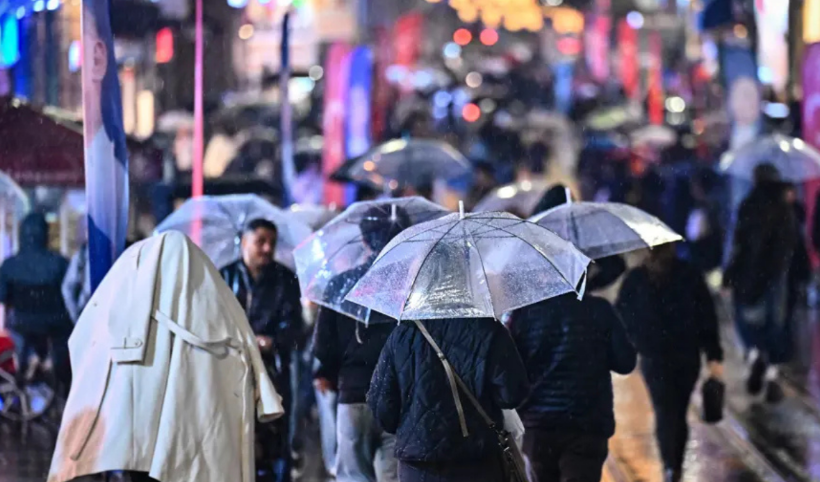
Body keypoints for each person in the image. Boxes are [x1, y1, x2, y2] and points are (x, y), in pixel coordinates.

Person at [48, 232, 283, 482]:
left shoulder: (123, 312)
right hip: (193, 447)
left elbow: (84, 339)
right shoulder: (218, 312)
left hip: (134, 444)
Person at [313, 206, 411, 482]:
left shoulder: (341, 285)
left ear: (365, 240)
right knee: (394, 475)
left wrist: (332, 374)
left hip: (353, 394)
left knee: (354, 475)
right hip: (398, 397)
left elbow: (323, 347)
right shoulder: (409, 287)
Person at [368, 318, 530, 482]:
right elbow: (512, 396)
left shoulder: (402, 335)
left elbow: (382, 409)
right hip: (479, 462)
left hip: (419, 467)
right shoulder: (491, 329)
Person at [616, 243, 723, 482]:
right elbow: (707, 317)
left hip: (655, 358)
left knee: (664, 411)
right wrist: (714, 355)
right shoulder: (689, 274)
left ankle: (670, 465)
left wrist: (633, 342)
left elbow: (621, 317)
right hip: (687, 356)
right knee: (679, 411)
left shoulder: (637, 279)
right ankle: (675, 462)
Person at [509, 293, 636, 482]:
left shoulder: (524, 314)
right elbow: (625, 362)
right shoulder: (599, 309)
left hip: (539, 426)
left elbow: (512, 371)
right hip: (587, 423)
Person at [220, 219, 303, 482]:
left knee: (275, 440)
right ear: (244, 242)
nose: (267, 249)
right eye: (261, 242)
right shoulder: (224, 276)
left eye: (271, 243)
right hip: (232, 371)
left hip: (273, 371)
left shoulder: (285, 278)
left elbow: (295, 327)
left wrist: (271, 342)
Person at [724, 163, 796, 402]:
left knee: (746, 320)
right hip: (776, 276)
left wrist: (730, 274)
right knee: (775, 323)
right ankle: (772, 373)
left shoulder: (748, 205)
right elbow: (789, 246)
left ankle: (755, 355)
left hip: (748, 274)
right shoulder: (784, 208)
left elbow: (739, 244)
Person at [0, 213, 71, 390]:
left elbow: (3, 298)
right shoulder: (60, 263)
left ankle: (24, 368)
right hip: (56, 325)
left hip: (21, 324)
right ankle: (55, 374)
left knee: (17, 342)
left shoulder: (9, 265)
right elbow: (70, 293)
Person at [61, 242, 91, 324]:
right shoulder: (82, 255)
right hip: (87, 309)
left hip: (86, 309)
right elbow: (67, 288)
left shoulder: (83, 254)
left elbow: (67, 289)